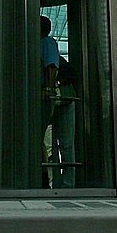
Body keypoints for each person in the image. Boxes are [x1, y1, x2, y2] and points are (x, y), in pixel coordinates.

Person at [40, 15, 76, 189]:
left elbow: (51, 66)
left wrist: (48, 88)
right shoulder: (47, 43)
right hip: (65, 97)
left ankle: (56, 183)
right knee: (65, 144)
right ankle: (66, 183)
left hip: (53, 97)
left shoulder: (45, 42)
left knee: (48, 144)